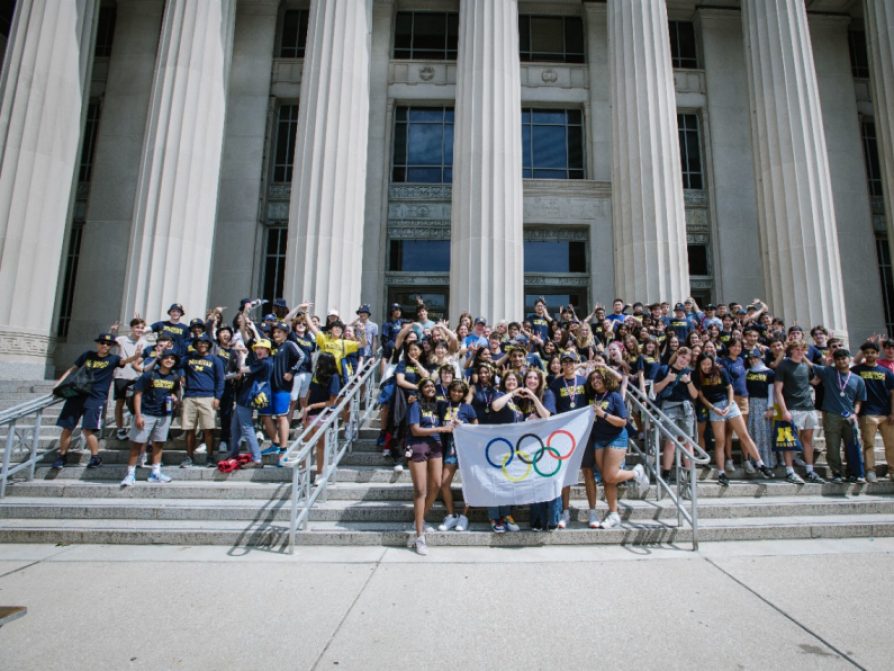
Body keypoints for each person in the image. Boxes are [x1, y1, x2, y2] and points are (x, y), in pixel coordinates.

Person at [51, 333, 140, 469]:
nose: (105, 345)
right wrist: (59, 383)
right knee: (67, 427)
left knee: (88, 429)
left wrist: (136, 356)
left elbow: (125, 362)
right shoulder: (87, 355)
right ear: (97, 344)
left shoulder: (113, 359)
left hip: (95, 397)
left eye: (108, 344)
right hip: (77, 394)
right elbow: (72, 369)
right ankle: (62, 456)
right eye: (102, 343)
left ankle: (95, 457)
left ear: (112, 346)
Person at [585, 367, 651, 528]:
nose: (595, 381)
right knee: (608, 479)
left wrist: (603, 414)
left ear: (605, 379)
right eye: (592, 379)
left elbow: (623, 421)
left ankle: (636, 472)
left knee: (610, 475)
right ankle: (614, 514)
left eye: (598, 378)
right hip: (598, 439)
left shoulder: (614, 396)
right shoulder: (591, 397)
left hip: (616, 437)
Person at [694, 353, 773, 486]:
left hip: (729, 404)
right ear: (699, 364)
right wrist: (714, 409)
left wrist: (730, 404)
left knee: (744, 435)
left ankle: (761, 464)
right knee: (720, 441)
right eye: (703, 364)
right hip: (714, 408)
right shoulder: (696, 375)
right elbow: (701, 397)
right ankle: (721, 473)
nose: (706, 367)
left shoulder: (721, 371)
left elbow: (730, 388)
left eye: (708, 364)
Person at [120, 349, 181, 486]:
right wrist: (138, 415)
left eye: (172, 358)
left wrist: (175, 398)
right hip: (146, 413)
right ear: (160, 359)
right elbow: (138, 394)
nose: (169, 360)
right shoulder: (149, 375)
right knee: (137, 444)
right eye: (167, 357)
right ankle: (130, 474)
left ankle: (155, 472)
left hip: (163, 414)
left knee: (158, 444)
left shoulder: (174, 377)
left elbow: (175, 393)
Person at [808, 349, 867, 483]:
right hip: (831, 415)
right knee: (832, 446)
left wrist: (855, 413)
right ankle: (836, 473)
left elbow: (859, 400)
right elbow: (811, 365)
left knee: (852, 445)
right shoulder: (829, 372)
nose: (841, 361)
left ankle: (854, 473)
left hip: (850, 416)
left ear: (849, 359)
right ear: (835, 361)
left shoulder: (858, 379)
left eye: (843, 358)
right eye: (838, 359)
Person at [406, 378, 448, 555]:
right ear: (421, 389)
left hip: (436, 446)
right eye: (427, 386)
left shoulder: (437, 406)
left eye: (433, 386)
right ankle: (419, 537)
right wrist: (438, 430)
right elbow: (415, 429)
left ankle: (420, 519)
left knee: (437, 485)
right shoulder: (415, 405)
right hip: (418, 446)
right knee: (420, 491)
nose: (431, 388)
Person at [774, 342, 825, 484]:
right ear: (790, 351)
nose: (800, 352)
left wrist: (827, 368)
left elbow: (814, 381)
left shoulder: (805, 366)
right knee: (788, 442)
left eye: (802, 349)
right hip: (792, 408)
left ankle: (810, 471)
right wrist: (783, 410)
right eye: (797, 349)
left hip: (808, 407)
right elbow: (777, 390)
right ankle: (790, 472)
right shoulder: (784, 365)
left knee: (808, 440)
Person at [549, 350, 587, 529]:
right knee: (564, 474)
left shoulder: (585, 381)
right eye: (565, 362)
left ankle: (592, 510)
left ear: (576, 363)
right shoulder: (556, 384)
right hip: (564, 434)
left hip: (583, 431)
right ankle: (565, 511)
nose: (568, 365)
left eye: (571, 362)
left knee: (587, 471)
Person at [259, 321, 306, 459]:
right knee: (265, 415)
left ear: (286, 334)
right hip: (268, 388)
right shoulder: (271, 346)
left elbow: (302, 356)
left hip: (282, 387)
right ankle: (275, 443)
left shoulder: (289, 344)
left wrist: (291, 372)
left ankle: (284, 448)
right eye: (274, 332)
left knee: (281, 417)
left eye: (279, 332)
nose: (276, 334)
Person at [653, 347, 699, 481]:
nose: (684, 361)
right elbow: (655, 389)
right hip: (669, 407)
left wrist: (688, 382)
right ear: (677, 355)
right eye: (683, 357)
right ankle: (666, 472)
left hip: (686, 408)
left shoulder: (690, 373)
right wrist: (667, 379)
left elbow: (695, 395)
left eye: (687, 359)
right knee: (670, 442)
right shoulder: (664, 369)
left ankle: (690, 473)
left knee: (687, 442)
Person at [437, 380, 477, 532]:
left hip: (467, 449)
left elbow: (476, 427)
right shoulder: (442, 405)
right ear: (450, 391)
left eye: (460, 391)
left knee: (469, 484)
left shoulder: (468, 407)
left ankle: (464, 517)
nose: (457, 393)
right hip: (450, 448)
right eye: (454, 390)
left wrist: (463, 426)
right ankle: (451, 515)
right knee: (444, 483)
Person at [852, 341, 894, 483]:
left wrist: (893, 412)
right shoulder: (857, 370)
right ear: (864, 354)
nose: (869, 355)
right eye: (867, 352)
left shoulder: (886, 372)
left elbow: (893, 394)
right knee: (869, 444)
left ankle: (892, 471)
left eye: (872, 352)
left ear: (877, 354)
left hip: (886, 413)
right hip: (867, 412)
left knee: (891, 444)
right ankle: (870, 471)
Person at [180, 334, 224, 467]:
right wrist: (182, 375)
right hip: (190, 396)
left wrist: (218, 397)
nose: (202, 345)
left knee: (209, 429)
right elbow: (178, 366)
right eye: (199, 342)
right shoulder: (188, 358)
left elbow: (220, 380)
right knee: (189, 429)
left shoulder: (215, 360)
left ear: (209, 345)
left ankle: (210, 457)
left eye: (205, 343)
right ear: (195, 344)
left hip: (208, 396)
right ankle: (189, 456)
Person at [228, 339, 273, 468]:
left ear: (268, 351)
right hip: (245, 396)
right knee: (235, 426)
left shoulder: (264, 362)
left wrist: (242, 356)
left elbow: (242, 369)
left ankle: (257, 458)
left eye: (262, 348)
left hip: (248, 397)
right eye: (257, 348)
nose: (259, 350)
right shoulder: (265, 361)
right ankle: (234, 453)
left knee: (247, 427)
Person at [300, 352, 341, 475]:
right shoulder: (316, 375)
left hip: (324, 415)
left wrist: (311, 406)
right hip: (310, 414)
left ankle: (319, 472)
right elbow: (310, 392)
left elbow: (332, 401)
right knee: (306, 442)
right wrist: (305, 409)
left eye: (320, 361)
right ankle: (303, 471)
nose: (318, 364)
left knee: (320, 445)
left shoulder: (334, 377)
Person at [111, 318, 148, 440]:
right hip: (122, 374)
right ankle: (120, 429)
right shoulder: (122, 339)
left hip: (137, 376)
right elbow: (109, 342)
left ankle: (135, 426)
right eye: (137, 327)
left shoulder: (145, 342)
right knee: (120, 402)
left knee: (136, 403)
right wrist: (113, 331)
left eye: (142, 328)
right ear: (132, 328)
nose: (139, 330)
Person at [745, 348, 777, 469]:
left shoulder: (769, 372)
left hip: (764, 404)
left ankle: (768, 461)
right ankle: (755, 460)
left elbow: (771, 391)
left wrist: (770, 407)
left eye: (755, 357)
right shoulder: (748, 372)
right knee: (753, 431)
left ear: (760, 357)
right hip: (751, 404)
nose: (753, 360)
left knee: (765, 433)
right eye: (751, 358)